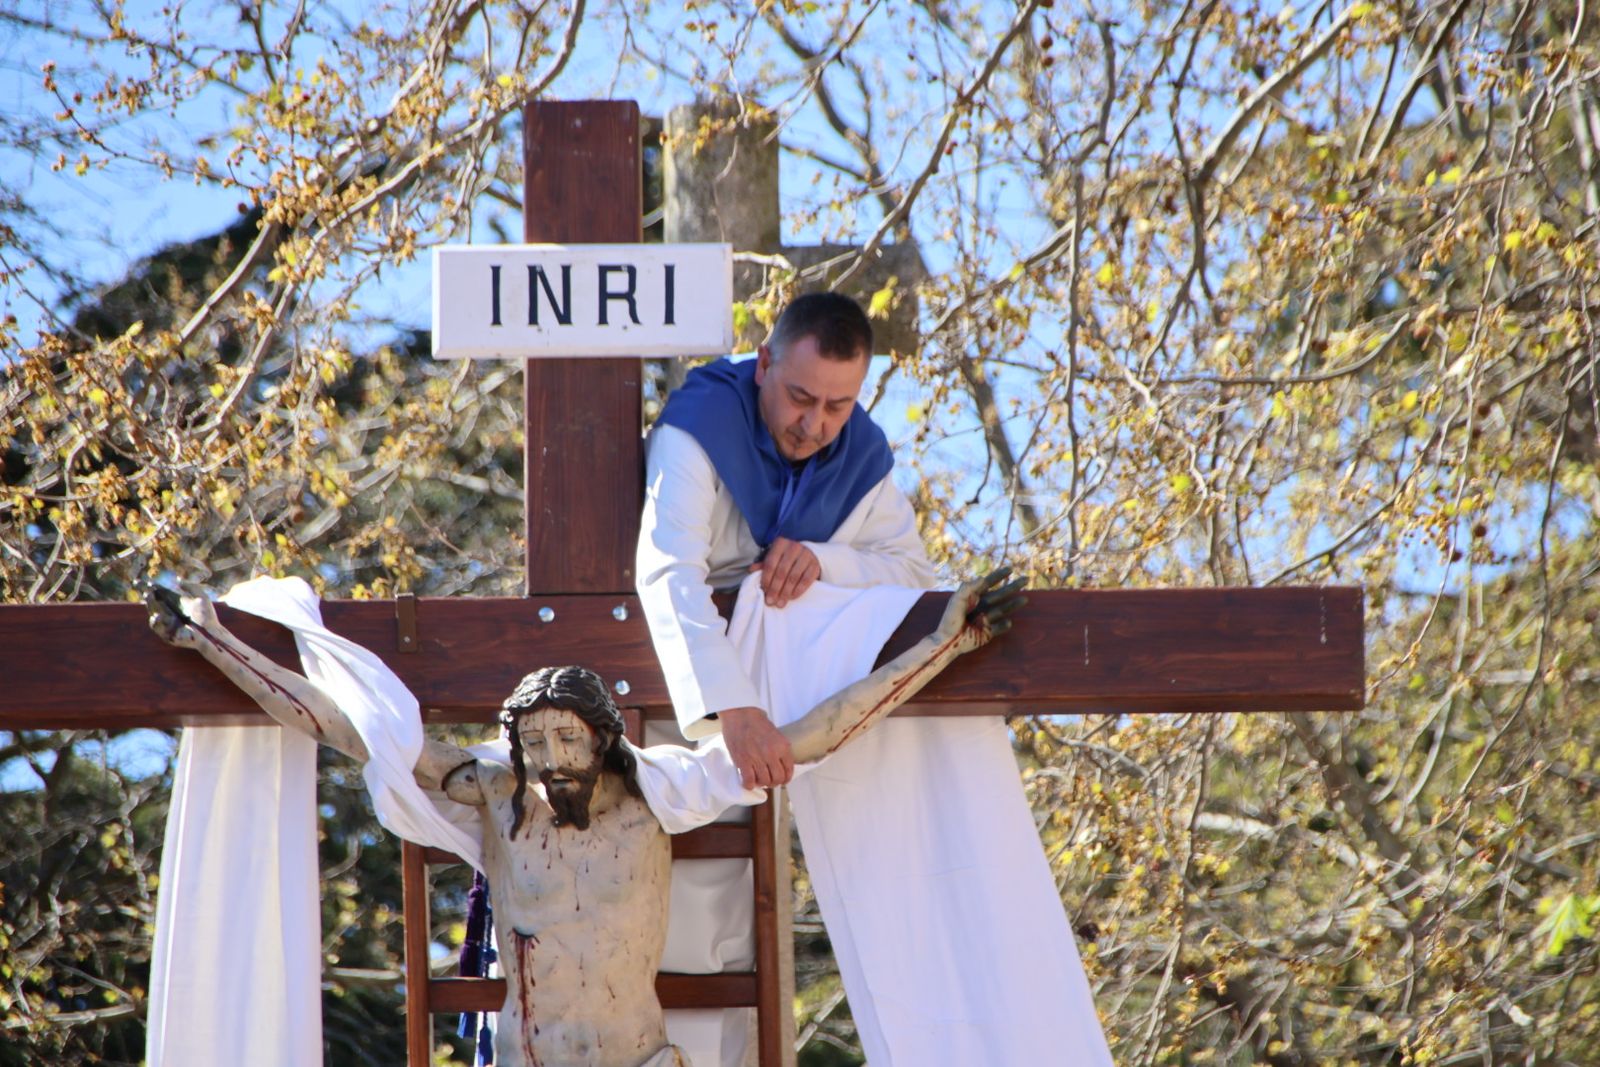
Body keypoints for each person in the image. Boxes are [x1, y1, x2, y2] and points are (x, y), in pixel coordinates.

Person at [145, 571, 1021, 1067]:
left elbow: (813, 735)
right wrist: (210, 641)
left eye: (567, 738)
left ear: (604, 740)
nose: (549, 760)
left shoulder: (661, 790)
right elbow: (348, 727)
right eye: (531, 743)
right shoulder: (494, 795)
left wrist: (945, 643)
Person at [637, 291, 934, 787]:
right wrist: (733, 707)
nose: (815, 425)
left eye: (838, 406)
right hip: (672, 693)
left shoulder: (862, 456)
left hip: (786, 714)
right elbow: (669, 569)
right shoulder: (700, 425)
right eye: (800, 398)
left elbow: (915, 578)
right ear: (764, 364)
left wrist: (823, 562)